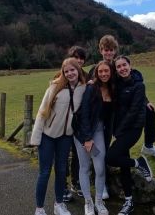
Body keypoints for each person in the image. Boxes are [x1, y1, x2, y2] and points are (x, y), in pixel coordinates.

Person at [88, 35, 155, 158]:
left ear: (115, 51)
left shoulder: (119, 66)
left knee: (150, 110)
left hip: (118, 105)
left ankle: (149, 146)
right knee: (101, 138)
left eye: (111, 50)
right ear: (101, 50)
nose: (108, 53)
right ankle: (98, 165)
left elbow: (132, 83)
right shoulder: (95, 69)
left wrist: (145, 101)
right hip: (102, 108)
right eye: (106, 50)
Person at [30, 58, 87, 215]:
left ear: (78, 70)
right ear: (63, 73)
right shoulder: (55, 87)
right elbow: (42, 112)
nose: (70, 73)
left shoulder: (83, 88)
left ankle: (59, 204)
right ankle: (39, 209)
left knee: (62, 171)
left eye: (72, 70)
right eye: (66, 71)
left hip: (65, 136)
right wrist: (36, 138)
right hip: (47, 136)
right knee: (45, 172)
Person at [106, 55, 153, 215]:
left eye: (124, 65)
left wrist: (118, 132)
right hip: (119, 128)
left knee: (110, 157)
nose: (122, 69)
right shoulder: (117, 84)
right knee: (123, 165)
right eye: (118, 67)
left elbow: (133, 111)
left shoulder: (139, 86)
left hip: (132, 129)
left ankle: (139, 162)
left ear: (130, 66)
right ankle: (129, 201)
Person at [73, 60, 114, 215]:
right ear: (96, 73)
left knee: (100, 168)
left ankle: (99, 201)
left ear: (111, 72)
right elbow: (83, 114)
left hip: (98, 131)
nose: (104, 74)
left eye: (106, 71)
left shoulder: (112, 88)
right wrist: (87, 138)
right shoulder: (91, 88)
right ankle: (88, 203)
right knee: (84, 167)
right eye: (100, 71)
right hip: (82, 132)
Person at [63, 46, 87, 201]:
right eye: (75, 57)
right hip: (63, 124)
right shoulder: (61, 76)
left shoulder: (86, 77)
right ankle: (63, 186)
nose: (78, 61)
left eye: (81, 58)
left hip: (78, 124)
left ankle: (76, 183)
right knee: (63, 155)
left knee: (78, 155)